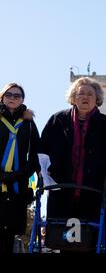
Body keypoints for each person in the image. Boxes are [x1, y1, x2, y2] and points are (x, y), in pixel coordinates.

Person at [40, 77, 106, 249]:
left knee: (89, 243)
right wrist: (42, 172)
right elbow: (42, 151)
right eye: (81, 93)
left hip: (94, 191)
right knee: (62, 242)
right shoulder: (57, 120)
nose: (86, 97)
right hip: (62, 190)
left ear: (97, 99)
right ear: (73, 97)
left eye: (90, 94)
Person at [0, 83, 40, 253]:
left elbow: (36, 153)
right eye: (9, 95)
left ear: (22, 100)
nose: (13, 98)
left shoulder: (29, 123)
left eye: (17, 96)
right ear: (2, 97)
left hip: (17, 185)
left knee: (8, 234)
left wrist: (21, 174)